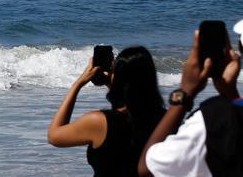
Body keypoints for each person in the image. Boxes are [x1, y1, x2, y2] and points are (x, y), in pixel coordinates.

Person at [138, 26, 242, 177]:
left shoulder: (212, 119)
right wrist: (230, 93)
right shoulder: (225, 116)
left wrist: (185, 92)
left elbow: (148, 167)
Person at [49, 46, 166, 176]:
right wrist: (112, 84)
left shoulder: (99, 121)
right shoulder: (166, 120)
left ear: (119, 77)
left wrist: (79, 83)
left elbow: (54, 136)